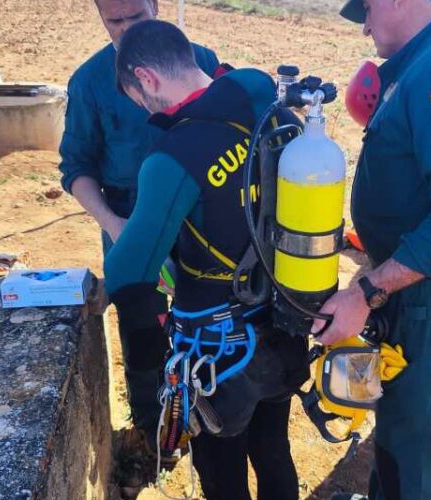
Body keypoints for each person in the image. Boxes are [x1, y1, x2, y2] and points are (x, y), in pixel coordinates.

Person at [106, 20, 307, 500]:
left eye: (139, 98)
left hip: (216, 349)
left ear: (147, 78)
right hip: (284, 315)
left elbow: (128, 274)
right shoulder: (263, 97)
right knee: (274, 450)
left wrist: (151, 355)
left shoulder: (173, 158)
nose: (145, 109)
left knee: (222, 472)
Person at [320, 0, 431, 498]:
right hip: (422, 280)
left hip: (427, 290)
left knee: (408, 437)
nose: (366, 26)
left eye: (368, 11)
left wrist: (368, 290)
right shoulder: (426, 59)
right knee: (404, 421)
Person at [57, 0, 219, 441]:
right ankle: (152, 428)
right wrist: (114, 225)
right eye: (115, 22)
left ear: (158, 7)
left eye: (137, 18)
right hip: (127, 214)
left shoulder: (199, 61)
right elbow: (76, 167)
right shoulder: (89, 81)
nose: (127, 31)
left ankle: (208, 411)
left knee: (204, 312)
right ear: (99, 17)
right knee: (141, 320)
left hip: (197, 215)